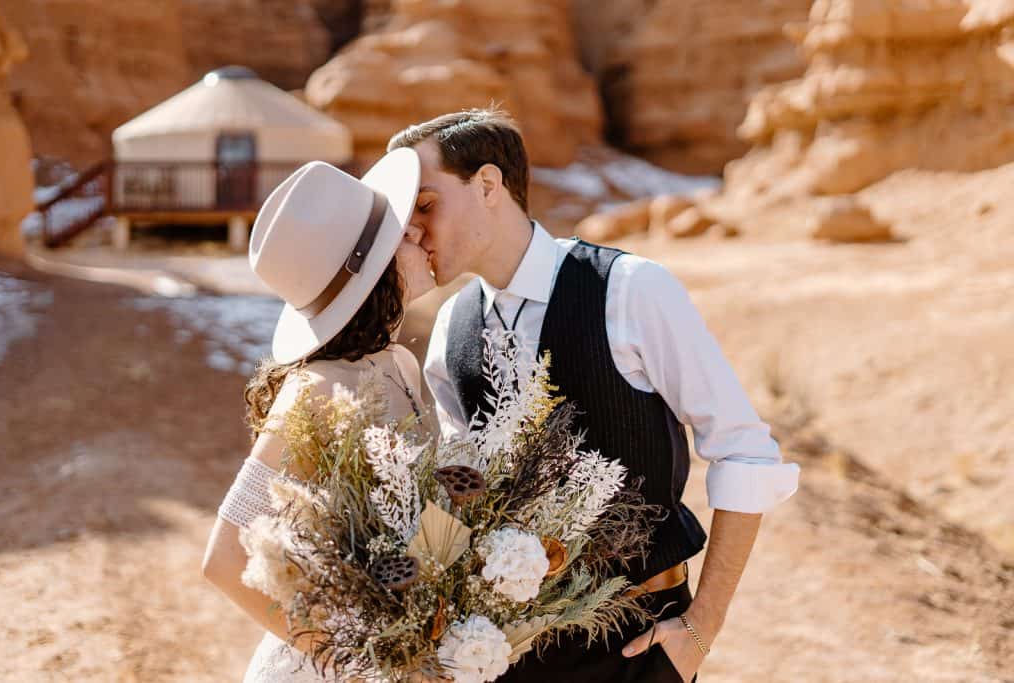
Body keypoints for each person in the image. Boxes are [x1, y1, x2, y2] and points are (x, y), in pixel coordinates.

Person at [390, 109, 801, 683]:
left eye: (426, 205)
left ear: (488, 185)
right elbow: (463, 497)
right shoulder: (450, 328)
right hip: (501, 654)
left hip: (633, 646)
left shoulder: (630, 289)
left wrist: (701, 628)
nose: (411, 230)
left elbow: (745, 451)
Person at [201, 149, 440, 682]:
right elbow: (224, 559)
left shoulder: (401, 363)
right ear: (371, 271)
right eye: (401, 233)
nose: (419, 233)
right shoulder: (317, 388)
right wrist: (359, 663)